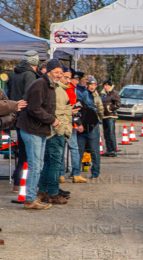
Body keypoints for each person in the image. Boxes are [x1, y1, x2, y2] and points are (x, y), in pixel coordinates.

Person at [16, 59, 63, 210]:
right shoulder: (40, 84)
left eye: (60, 73)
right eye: (56, 72)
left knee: (39, 164)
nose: (59, 75)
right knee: (35, 165)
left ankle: (32, 196)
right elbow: (34, 109)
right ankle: (30, 199)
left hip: (40, 129)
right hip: (31, 129)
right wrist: (52, 120)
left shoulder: (50, 85)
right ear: (48, 71)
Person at [37, 66, 73, 205]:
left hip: (54, 131)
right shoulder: (57, 90)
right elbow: (57, 113)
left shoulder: (60, 89)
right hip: (56, 132)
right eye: (64, 76)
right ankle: (52, 193)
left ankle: (44, 191)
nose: (67, 79)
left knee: (49, 163)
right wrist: (62, 130)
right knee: (54, 164)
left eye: (68, 77)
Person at [6, 50, 39, 192]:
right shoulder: (30, 75)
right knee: (28, 152)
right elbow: (30, 96)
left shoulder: (14, 74)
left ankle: (17, 181)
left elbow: (8, 94)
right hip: (27, 117)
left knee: (22, 150)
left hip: (16, 115)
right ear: (34, 63)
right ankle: (21, 183)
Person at [61, 70, 86, 183]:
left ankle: (60, 174)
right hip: (69, 124)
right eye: (75, 79)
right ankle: (76, 174)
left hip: (62, 122)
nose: (77, 81)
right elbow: (73, 110)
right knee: (74, 149)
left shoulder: (64, 88)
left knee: (61, 150)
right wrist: (78, 123)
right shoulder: (70, 89)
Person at [76, 75, 104, 179]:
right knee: (79, 149)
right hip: (82, 125)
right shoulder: (82, 94)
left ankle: (95, 172)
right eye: (90, 84)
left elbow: (101, 109)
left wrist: (98, 119)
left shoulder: (97, 96)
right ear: (87, 85)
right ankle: (76, 171)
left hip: (93, 126)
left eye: (94, 84)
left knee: (94, 150)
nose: (92, 86)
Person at [100, 79, 121, 157]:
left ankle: (113, 150)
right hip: (104, 116)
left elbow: (118, 104)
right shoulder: (103, 94)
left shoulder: (114, 93)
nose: (105, 87)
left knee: (111, 133)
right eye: (104, 85)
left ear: (110, 86)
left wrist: (109, 108)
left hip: (111, 116)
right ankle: (108, 150)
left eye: (107, 85)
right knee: (106, 134)